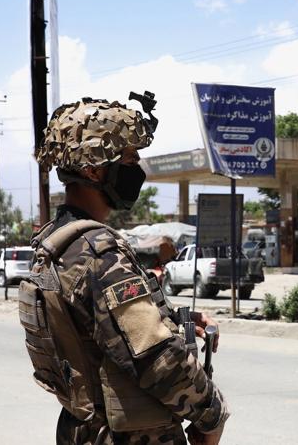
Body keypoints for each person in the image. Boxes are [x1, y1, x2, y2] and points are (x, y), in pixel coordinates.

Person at [22, 96, 229, 445]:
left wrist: (176, 322)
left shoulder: (56, 243)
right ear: (93, 169)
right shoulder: (99, 250)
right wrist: (211, 415)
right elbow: (157, 357)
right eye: (131, 158)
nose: (138, 168)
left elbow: (98, 333)